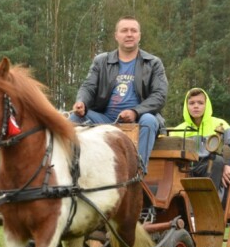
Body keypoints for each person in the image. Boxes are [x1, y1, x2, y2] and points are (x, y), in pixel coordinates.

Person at [69, 15, 168, 174]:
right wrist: (81, 102)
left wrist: (135, 112)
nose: (129, 34)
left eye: (133, 31)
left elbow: (159, 95)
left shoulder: (153, 62)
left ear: (139, 35)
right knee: (74, 118)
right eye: (124, 30)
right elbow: (88, 86)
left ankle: (138, 172)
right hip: (107, 119)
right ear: (116, 35)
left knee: (149, 119)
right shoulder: (101, 61)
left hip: (139, 120)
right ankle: (75, 171)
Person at [170, 88, 230, 201]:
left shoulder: (219, 124)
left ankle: (210, 205)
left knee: (217, 161)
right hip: (185, 170)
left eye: (200, 103)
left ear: (206, 105)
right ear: (186, 106)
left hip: (209, 168)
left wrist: (229, 164)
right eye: (192, 103)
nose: (196, 106)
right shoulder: (178, 130)